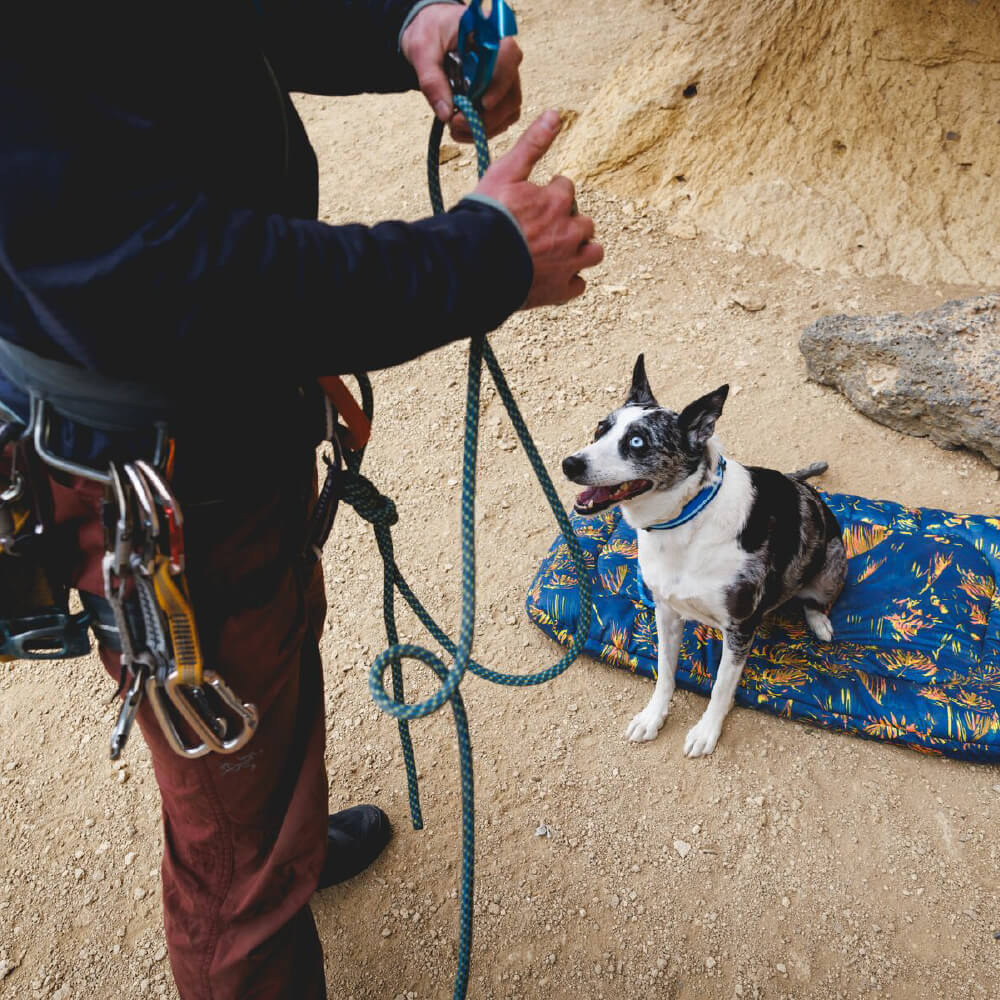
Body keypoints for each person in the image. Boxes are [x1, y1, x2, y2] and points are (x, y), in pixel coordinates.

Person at [0, 2, 602, 998]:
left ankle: (276, 809)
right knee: (234, 858)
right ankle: (260, 846)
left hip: (212, 420)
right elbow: (157, 283)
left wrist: (398, 29)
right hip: (156, 455)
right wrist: (480, 257)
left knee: (266, 654)